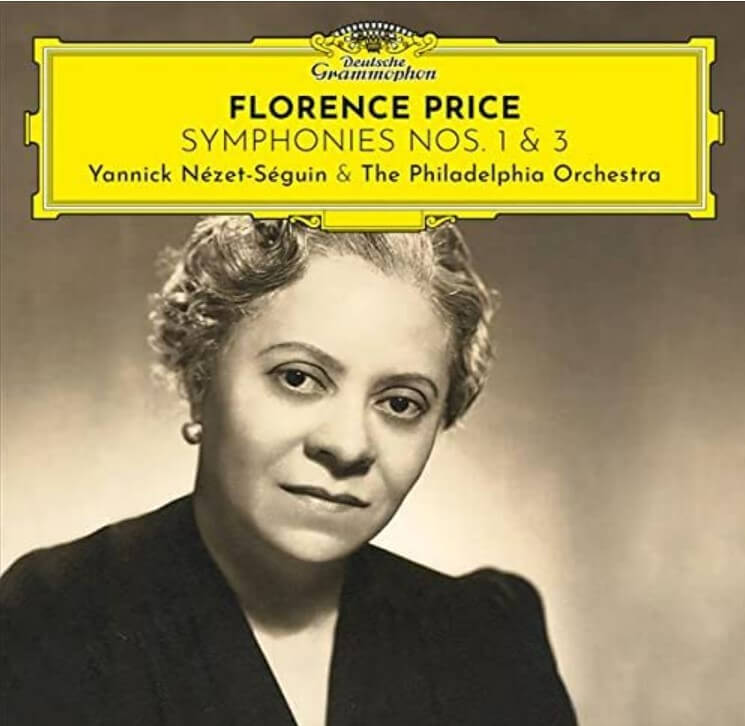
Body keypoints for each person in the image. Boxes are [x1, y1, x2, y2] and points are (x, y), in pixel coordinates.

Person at [0, 217, 576, 725]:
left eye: (400, 403)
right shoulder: (58, 616)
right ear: (201, 378)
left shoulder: (488, 637)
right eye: (298, 378)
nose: (347, 445)